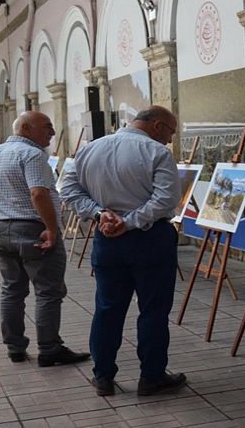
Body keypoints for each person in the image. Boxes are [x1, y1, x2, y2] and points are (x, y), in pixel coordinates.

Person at [60, 106, 185, 397]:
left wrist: (99, 214)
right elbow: (166, 200)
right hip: (150, 239)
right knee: (153, 310)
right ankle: (151, 377)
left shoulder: (89, 149)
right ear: (157, 126)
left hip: (107, 241)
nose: (170, 140)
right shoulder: (157, 152)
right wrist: (128, 223)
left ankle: (103, 377)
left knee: (107, 308)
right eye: (170, 132)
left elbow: (69, 190)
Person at [0, 111, 90, 367]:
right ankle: (50, 349)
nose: (52, 132)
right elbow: (38, 193)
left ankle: (15, 347)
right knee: (48, 292)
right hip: (34, 231)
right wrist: (52, 228)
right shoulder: (31, 154)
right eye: (48, 126)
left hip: (5, 230)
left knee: (12, 291)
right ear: (26, 129)